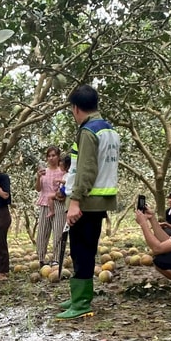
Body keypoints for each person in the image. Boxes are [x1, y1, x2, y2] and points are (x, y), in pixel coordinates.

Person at [57, 84, 120, 319]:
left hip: (86, 200)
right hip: (99, 200)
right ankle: (79, 296)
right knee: (86, 249)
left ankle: (81, 302)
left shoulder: (88, 131)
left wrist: (75, 201)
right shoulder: (108, 130)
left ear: (75, 108)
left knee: (81, 250)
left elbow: (86, 170)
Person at [35, 146, 67, 267]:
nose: (51, 158)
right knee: (42, 231)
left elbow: (67, 187)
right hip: (44, 203)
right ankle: (41, 258)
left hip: (58, 203)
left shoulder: (63, 171)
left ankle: (57, 259)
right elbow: (38, 189)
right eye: (49, 156)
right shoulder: (43, 172)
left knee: (58, 231)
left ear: (58, 156)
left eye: (54, 155)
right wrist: (38, 177)